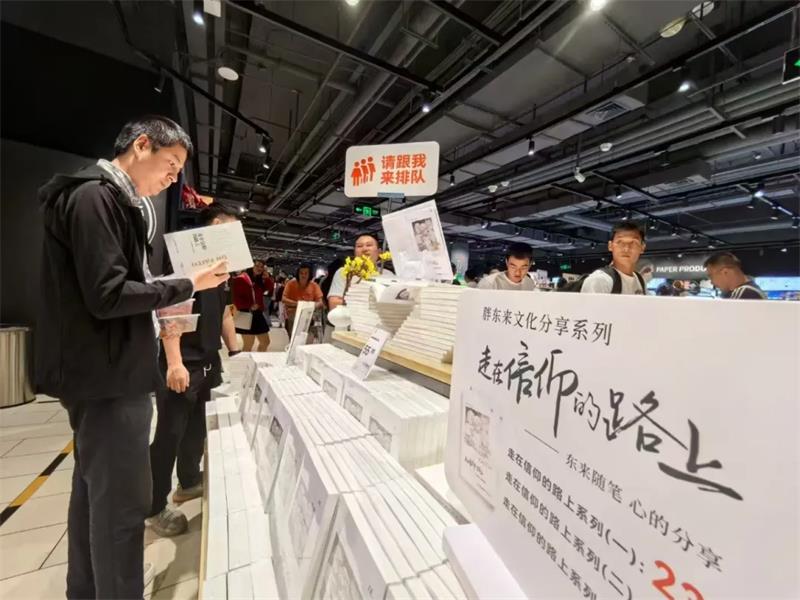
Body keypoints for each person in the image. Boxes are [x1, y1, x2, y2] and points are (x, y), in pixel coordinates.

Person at [35, 115, 229, 599]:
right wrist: (187, 284)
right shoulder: (95, 198)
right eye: (171, 164)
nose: (173, 177)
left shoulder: (114, 202)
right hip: (109, 377)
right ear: (142, 145)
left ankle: (85, 590)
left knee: (93, 495)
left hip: (107, 373)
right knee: (122, 507)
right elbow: (108, 295)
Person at [147, 204, 240, 537]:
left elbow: (224, 313)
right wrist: (174, 362)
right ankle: (153, 506)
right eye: (232, 229)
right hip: (183, 362)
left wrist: (235, 350)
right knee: (169, 435)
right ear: (215, 225)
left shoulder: (221, 269)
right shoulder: (185, 263)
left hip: (209, 361)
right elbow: (170, 312)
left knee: (198, 429)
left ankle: (188, 481)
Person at [328, 233, 394, 309]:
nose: (364, 249)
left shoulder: (388, 275)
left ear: (379, 252)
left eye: (369, 245)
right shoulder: (345, 272)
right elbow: (334, 303)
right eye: (359, 246)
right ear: (355, 252)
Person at [580, 222, 647, 295]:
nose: (626, 249)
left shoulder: (640, 280)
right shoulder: (600, 280)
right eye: (620, 242)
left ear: (642, 247)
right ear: (610, 246)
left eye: (633, 243)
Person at [231, 268, 270, 351]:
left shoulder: (258, 280)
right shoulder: (241, 278)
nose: (259, 268)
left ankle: (259, 358)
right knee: (248, 344)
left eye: (261, 266)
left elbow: (268, 289)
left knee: (265, 342)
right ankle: (244, 360)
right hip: (246, 313)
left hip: (257, 313)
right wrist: (249, 305)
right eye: (257, 265)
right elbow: (236, 298)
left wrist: (267, 278)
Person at [283, 263, 325, 334]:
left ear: (309, 274)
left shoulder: (314, 286)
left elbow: (320, 303)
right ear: (298, 274)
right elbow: (284, 299)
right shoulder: (290, 284)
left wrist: (308, 305)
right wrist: (299, 304)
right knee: (293, 337)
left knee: (307, 337)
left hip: (308, 316)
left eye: (306, 273)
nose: (303, 275)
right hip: (293, 315)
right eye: (301, 273)